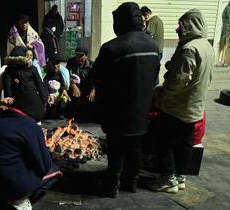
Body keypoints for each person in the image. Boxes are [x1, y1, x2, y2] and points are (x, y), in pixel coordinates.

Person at [92, 2, 159, 197]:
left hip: (118, 112)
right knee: (135, 148)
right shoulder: (152, 45)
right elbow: (154, 78)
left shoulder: (113, 47)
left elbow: (98, 77)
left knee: (117, 150)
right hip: (142, 110)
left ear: (121, 21)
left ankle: (112, 186)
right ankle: (132, 183)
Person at [147, 9, 214, 193]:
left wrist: (162, 91)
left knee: (164, 143)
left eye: (182, 25)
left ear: (190, 26)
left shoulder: (189, 48)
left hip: (177, 107)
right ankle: (180, 177)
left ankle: (168, 180)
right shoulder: (206, 46)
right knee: (184, 145)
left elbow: (178, 80)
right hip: (194, 107)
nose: (178, 29)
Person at [0, 107, 63, 210]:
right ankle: (19, 201)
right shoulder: (31, 127)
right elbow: (44, 166)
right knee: (56, 170)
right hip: (9, 187)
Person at [3, 46, 48, 123]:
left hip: (19, 109)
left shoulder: (8, 70)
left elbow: (8, 88)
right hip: (35, 108)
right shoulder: (32, 68)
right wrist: (44, 100)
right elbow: (40, 85)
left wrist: (9, 102)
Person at [66, 46, 95, 122]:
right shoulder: (70, 62)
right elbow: (67, 75)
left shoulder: (92, 64)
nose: (78, 58)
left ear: (86, 56)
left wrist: (93, 90)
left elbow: (96, 78)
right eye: (77, 55)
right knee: (75, 98)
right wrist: (73, 85)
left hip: (87, 87)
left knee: (90, 101)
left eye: (81, 56)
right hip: (76, 87)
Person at [140, 6, 164, 87]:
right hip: (159, 50)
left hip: (154, 51)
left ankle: (153, 91)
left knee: (152, 74)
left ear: (146, 14)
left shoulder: (151, 21)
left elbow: (149, 35)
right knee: (155, 72)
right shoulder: (158, 19)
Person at [217, 2, 230, 67]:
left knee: (225, 45)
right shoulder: (228, 9)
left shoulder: (227, 8)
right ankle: (221, 61)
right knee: (224, 44)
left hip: (226, 28)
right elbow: (226, 19)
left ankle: (222, 60)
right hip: (226, 29)